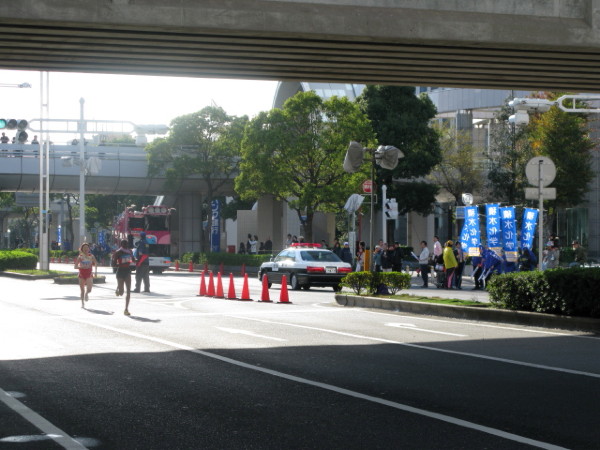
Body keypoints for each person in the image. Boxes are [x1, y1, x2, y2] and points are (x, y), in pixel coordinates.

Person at [112, 239, 134, 316]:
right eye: (124, 244)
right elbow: (114, 264)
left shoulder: (130, 252)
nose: (125, 245)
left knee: (128, 291)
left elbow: (133, 260)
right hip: (120, 271)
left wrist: (136, 260)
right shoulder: (118, 252)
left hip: (127, 271)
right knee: (121, 293)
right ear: (121, 245)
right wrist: (120, 263)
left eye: (126, 244)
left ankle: (126, 309)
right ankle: (118, 289)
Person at [74, 243, 98, 308]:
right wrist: (81, 267)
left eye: (87, 248)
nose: (86, 249)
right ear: (82, 249)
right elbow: (75, 266)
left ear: (89, 249)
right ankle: (82, 303)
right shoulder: (80, 257)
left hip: (89, 274)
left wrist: (96, 272)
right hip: (82, 274)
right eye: (84, 248)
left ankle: (87, 294)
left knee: (89, 289)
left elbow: (96, 263)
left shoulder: (91, 256)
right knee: (82, 290)